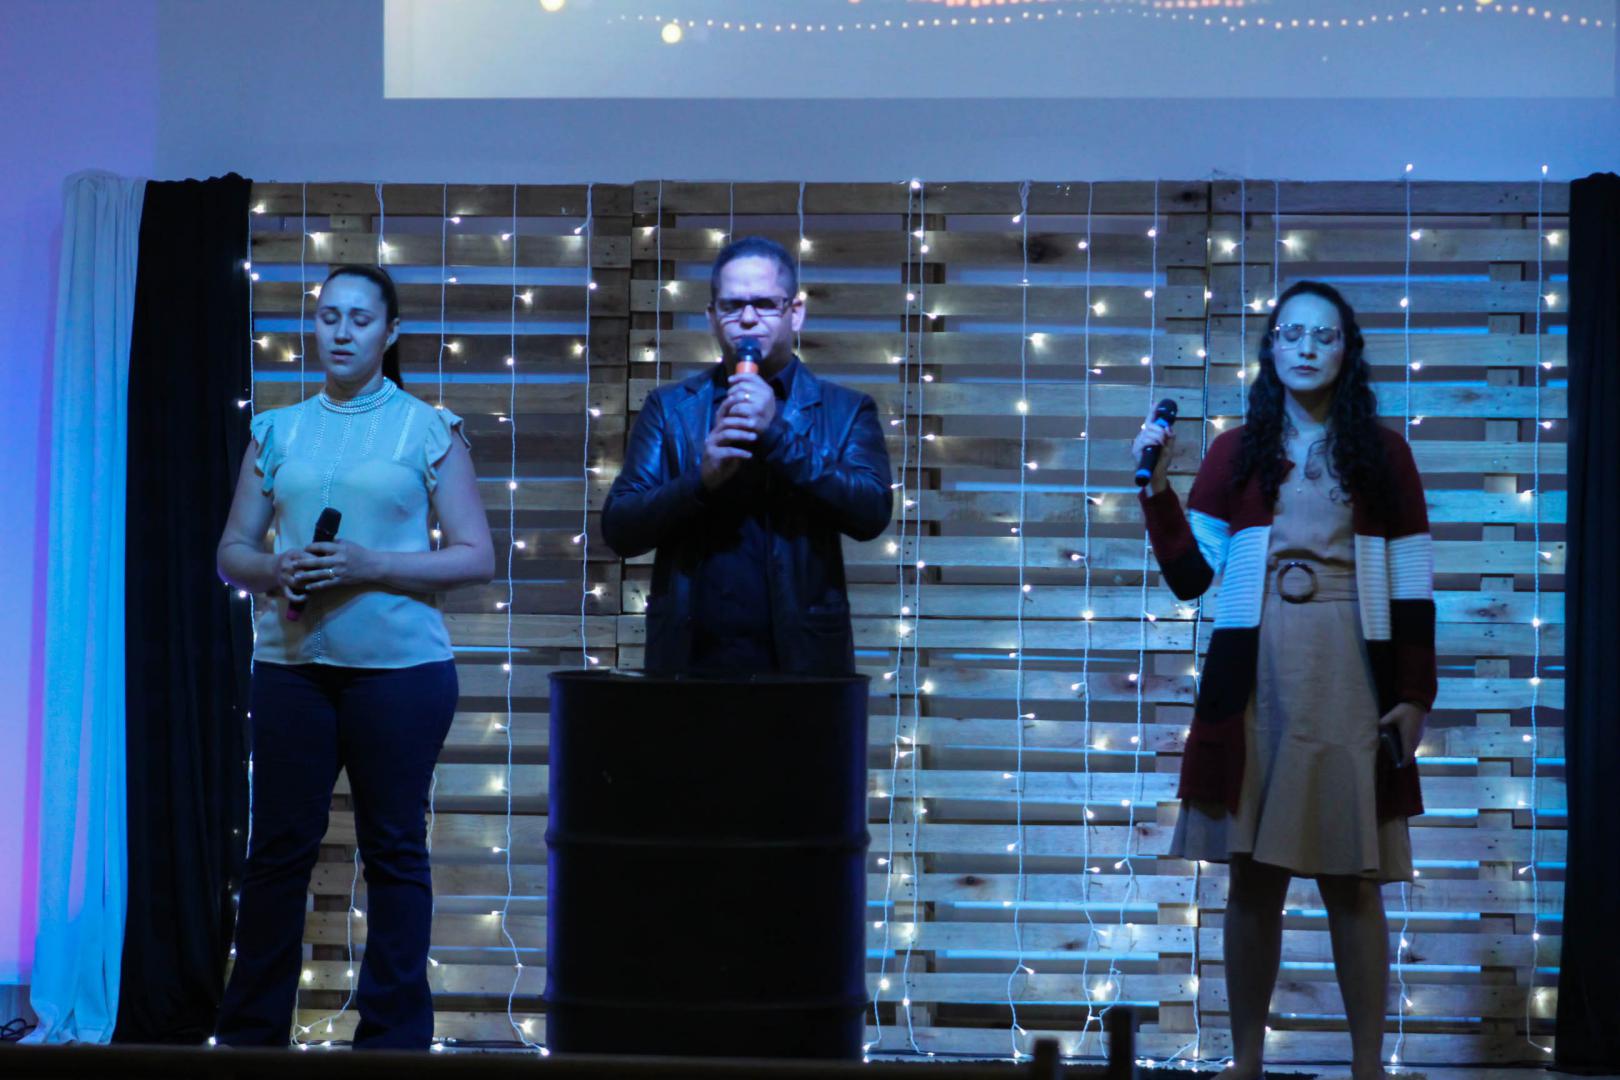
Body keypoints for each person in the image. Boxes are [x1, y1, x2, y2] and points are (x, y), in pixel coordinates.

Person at [1132, 280, 1435, 1080]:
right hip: (1254, 662)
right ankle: (1246, 1063)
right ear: (1271, 349)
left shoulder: (1384, 452)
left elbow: (1412, 581)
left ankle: (1368, 1066)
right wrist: (1157, 491)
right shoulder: (1235, 451)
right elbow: (1192, 579)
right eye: (1291, 334)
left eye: (1323, 335)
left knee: (1353, 878)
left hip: (1350, 661)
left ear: (1346, 351)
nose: (1306, 348)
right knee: (1252, 876)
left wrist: (1414, 695)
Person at [214, 264, 495, 1049]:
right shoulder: (277, 429)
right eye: (329, 316)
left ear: (390, 332)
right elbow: (232, 552)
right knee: (277, 852)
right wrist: (275, 568)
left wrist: (372, 564)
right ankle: (249, 1040)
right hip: (292, 670)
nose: (341, 332)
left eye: (360, 319)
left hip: (402, 676)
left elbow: (476, 556)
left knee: (395, 851)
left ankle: (393, 1044)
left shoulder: (428, 427)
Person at [602, 236, 892, 675]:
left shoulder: (846, 409)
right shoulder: (671, 408)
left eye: (765, 304)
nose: (749, 318)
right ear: (712, 317)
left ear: (795, 312)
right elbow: (620, 528)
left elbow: (871, 512)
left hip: (804, 666)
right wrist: (701, 480)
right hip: (688, 663)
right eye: (733, 305)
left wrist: (775, 435)